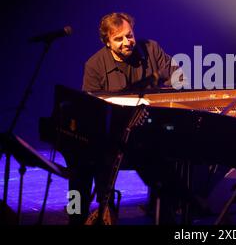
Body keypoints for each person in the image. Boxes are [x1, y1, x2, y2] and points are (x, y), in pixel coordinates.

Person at [70, 12, 182, 224]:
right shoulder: (94, 65)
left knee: (172, 153)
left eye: (129, 35)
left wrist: (160, 97)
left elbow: (178, 77)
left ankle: (167, 216)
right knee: (80, 167)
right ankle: (79, 214)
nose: (127, 42)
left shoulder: (151, 49)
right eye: (118, 39)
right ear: (107, 42)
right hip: (111, 137)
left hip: (147, 132)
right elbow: (90, 108)